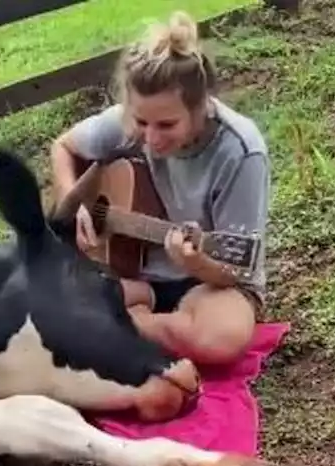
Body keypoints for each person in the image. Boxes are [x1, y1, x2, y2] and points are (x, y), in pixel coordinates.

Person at [49, 10, 272, 365]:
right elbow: (63, 147)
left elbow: (237, 271)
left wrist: (196, 262)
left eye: (167, 124)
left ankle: (124, 325)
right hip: (132, 274)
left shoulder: (241, 152)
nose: (151, 138)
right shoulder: (133, 120)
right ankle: (132, 314)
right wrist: (72, 202)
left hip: (210, 287)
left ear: (201, 106)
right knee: (36, 294)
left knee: (221, 339)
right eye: (141, 122)